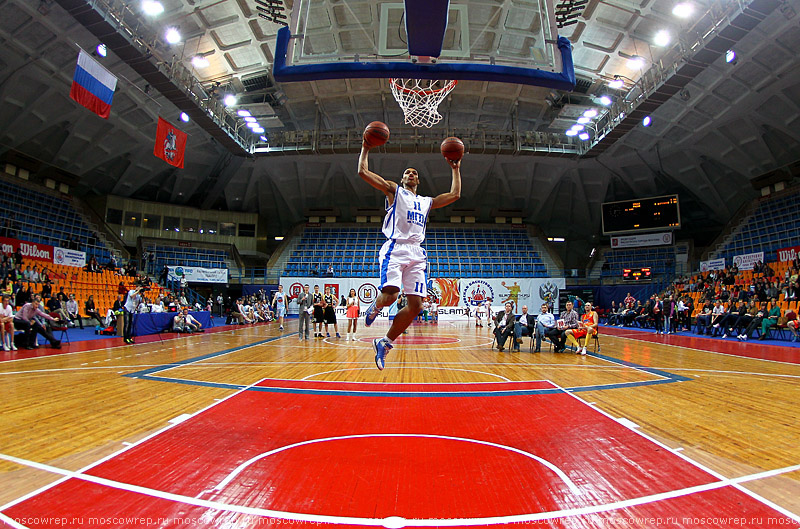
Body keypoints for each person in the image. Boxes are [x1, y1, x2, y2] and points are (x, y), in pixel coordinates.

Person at [359, 139, 461, 370]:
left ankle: (384, 342)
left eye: (415, 172)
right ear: (403, 179)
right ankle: (376, 305)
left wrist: (455, 169)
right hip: (395, 248)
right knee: (392, 295)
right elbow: (362, 172)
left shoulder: (426, 202)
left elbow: (455, 194)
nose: (411, 174)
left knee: (416, 306)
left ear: (419, 180)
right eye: (407, 172)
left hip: (417, 253)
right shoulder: (395, 191)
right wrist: (366, 147)